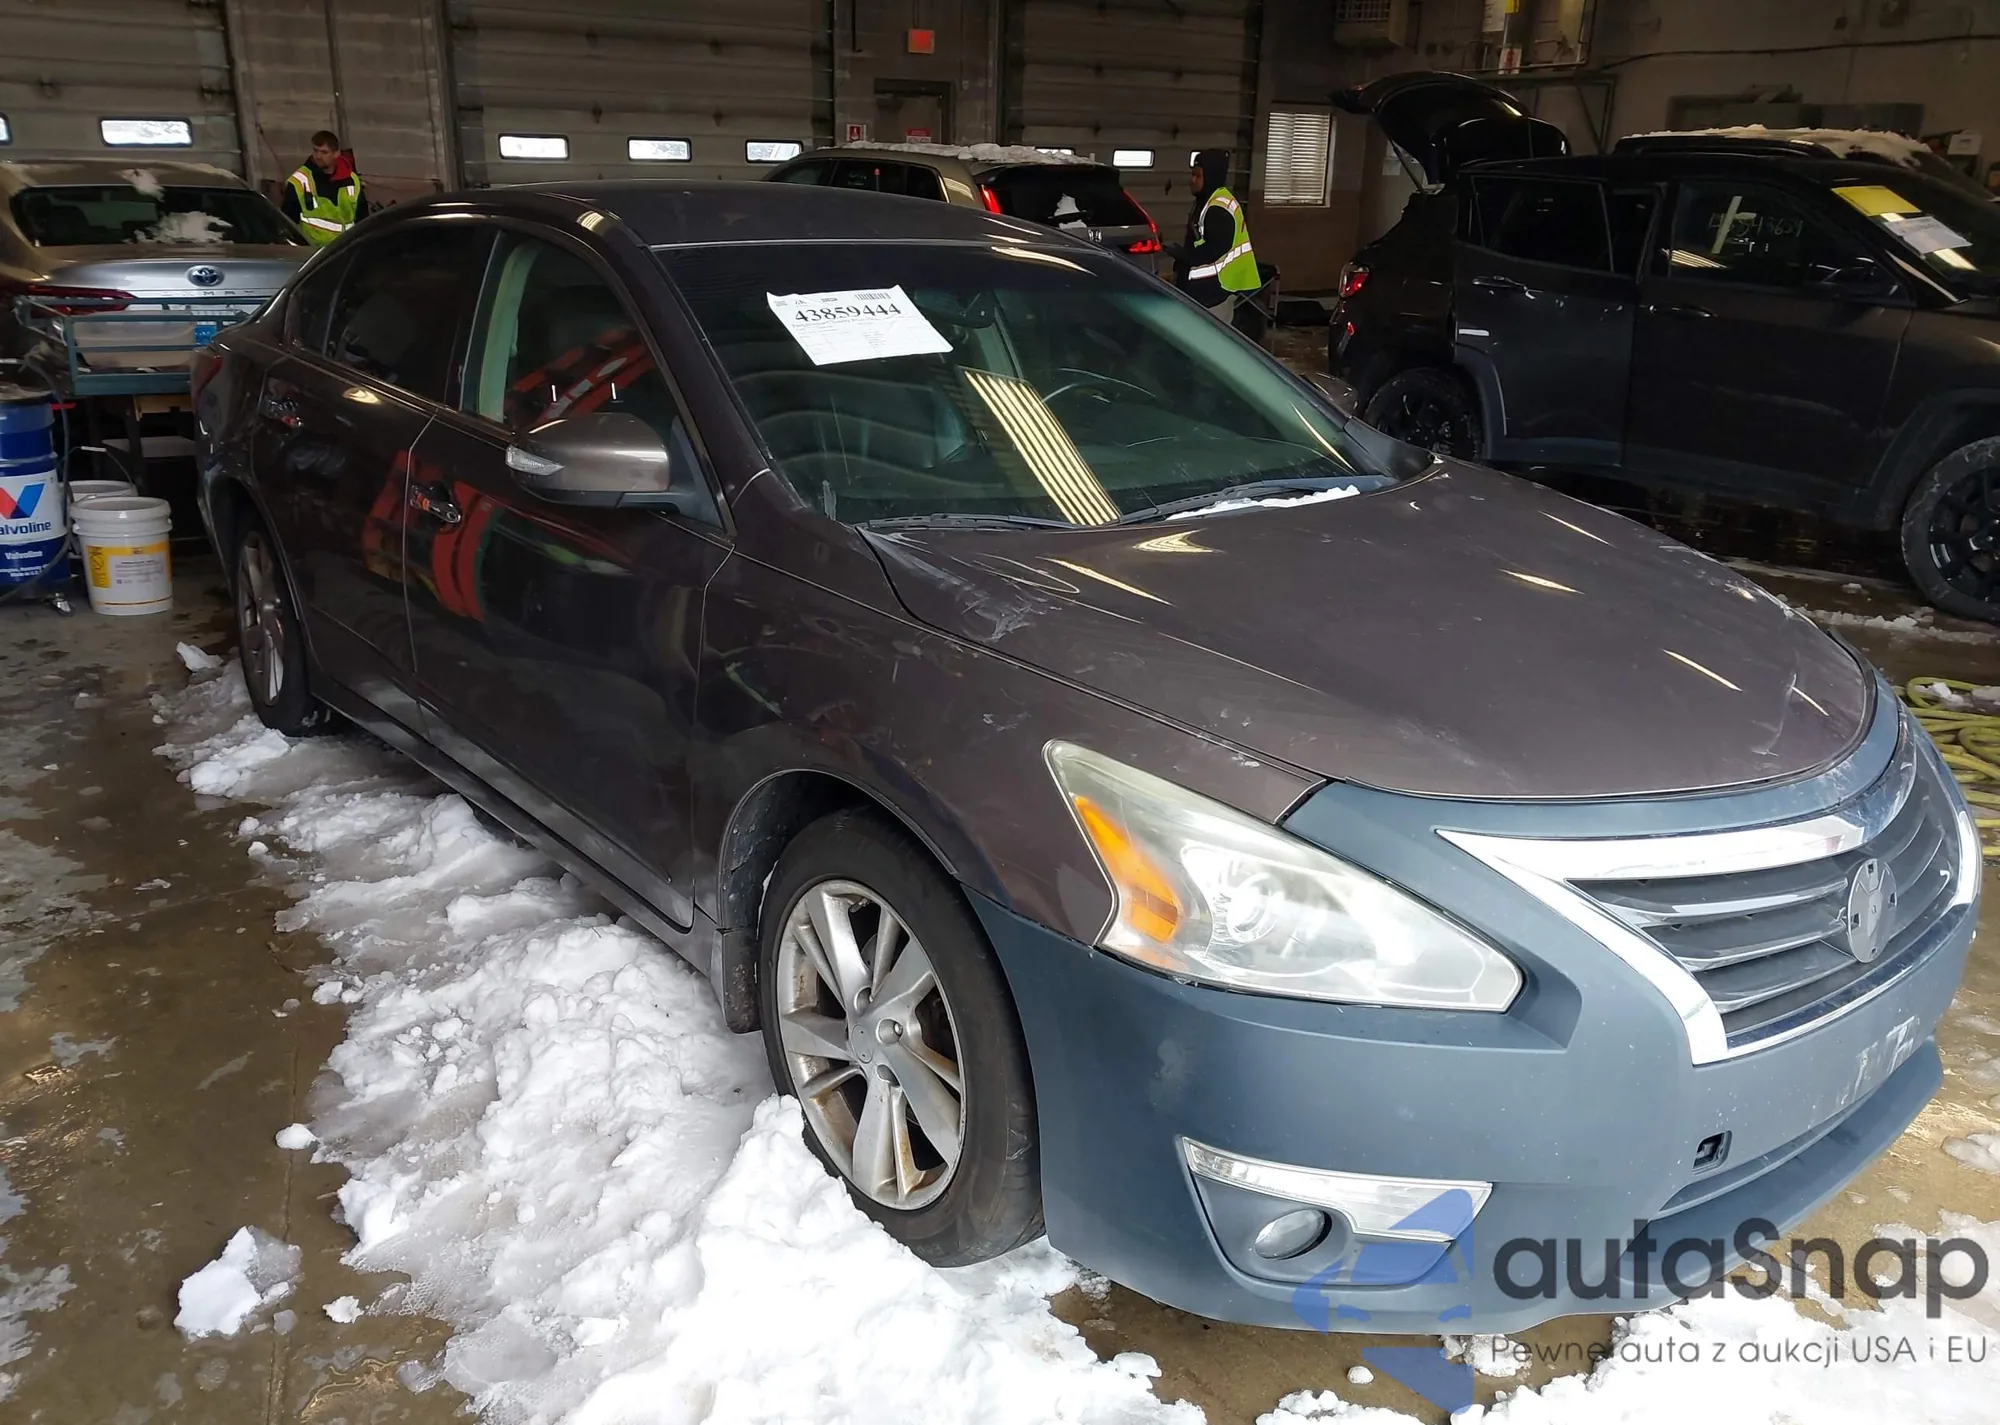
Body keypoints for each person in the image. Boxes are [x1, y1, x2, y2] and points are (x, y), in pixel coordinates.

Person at [1168, 149, 1260, 320]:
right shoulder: (1206, 201)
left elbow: (1215, 249)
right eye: (1192, 175)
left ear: (1211, 177)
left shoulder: (1218, 208)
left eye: (1198, 176)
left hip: (1215, 294)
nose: (1192, 180)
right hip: (1204, 294)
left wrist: (1183, 255)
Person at [282, 131, 366, 247]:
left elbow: (362, 220)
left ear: (336, 153)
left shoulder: (352, 180)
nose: (318, 156)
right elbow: (288, 224)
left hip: (344, 250)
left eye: (324, 152)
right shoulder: (299, 181)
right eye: (315, 150)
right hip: (312, 252)